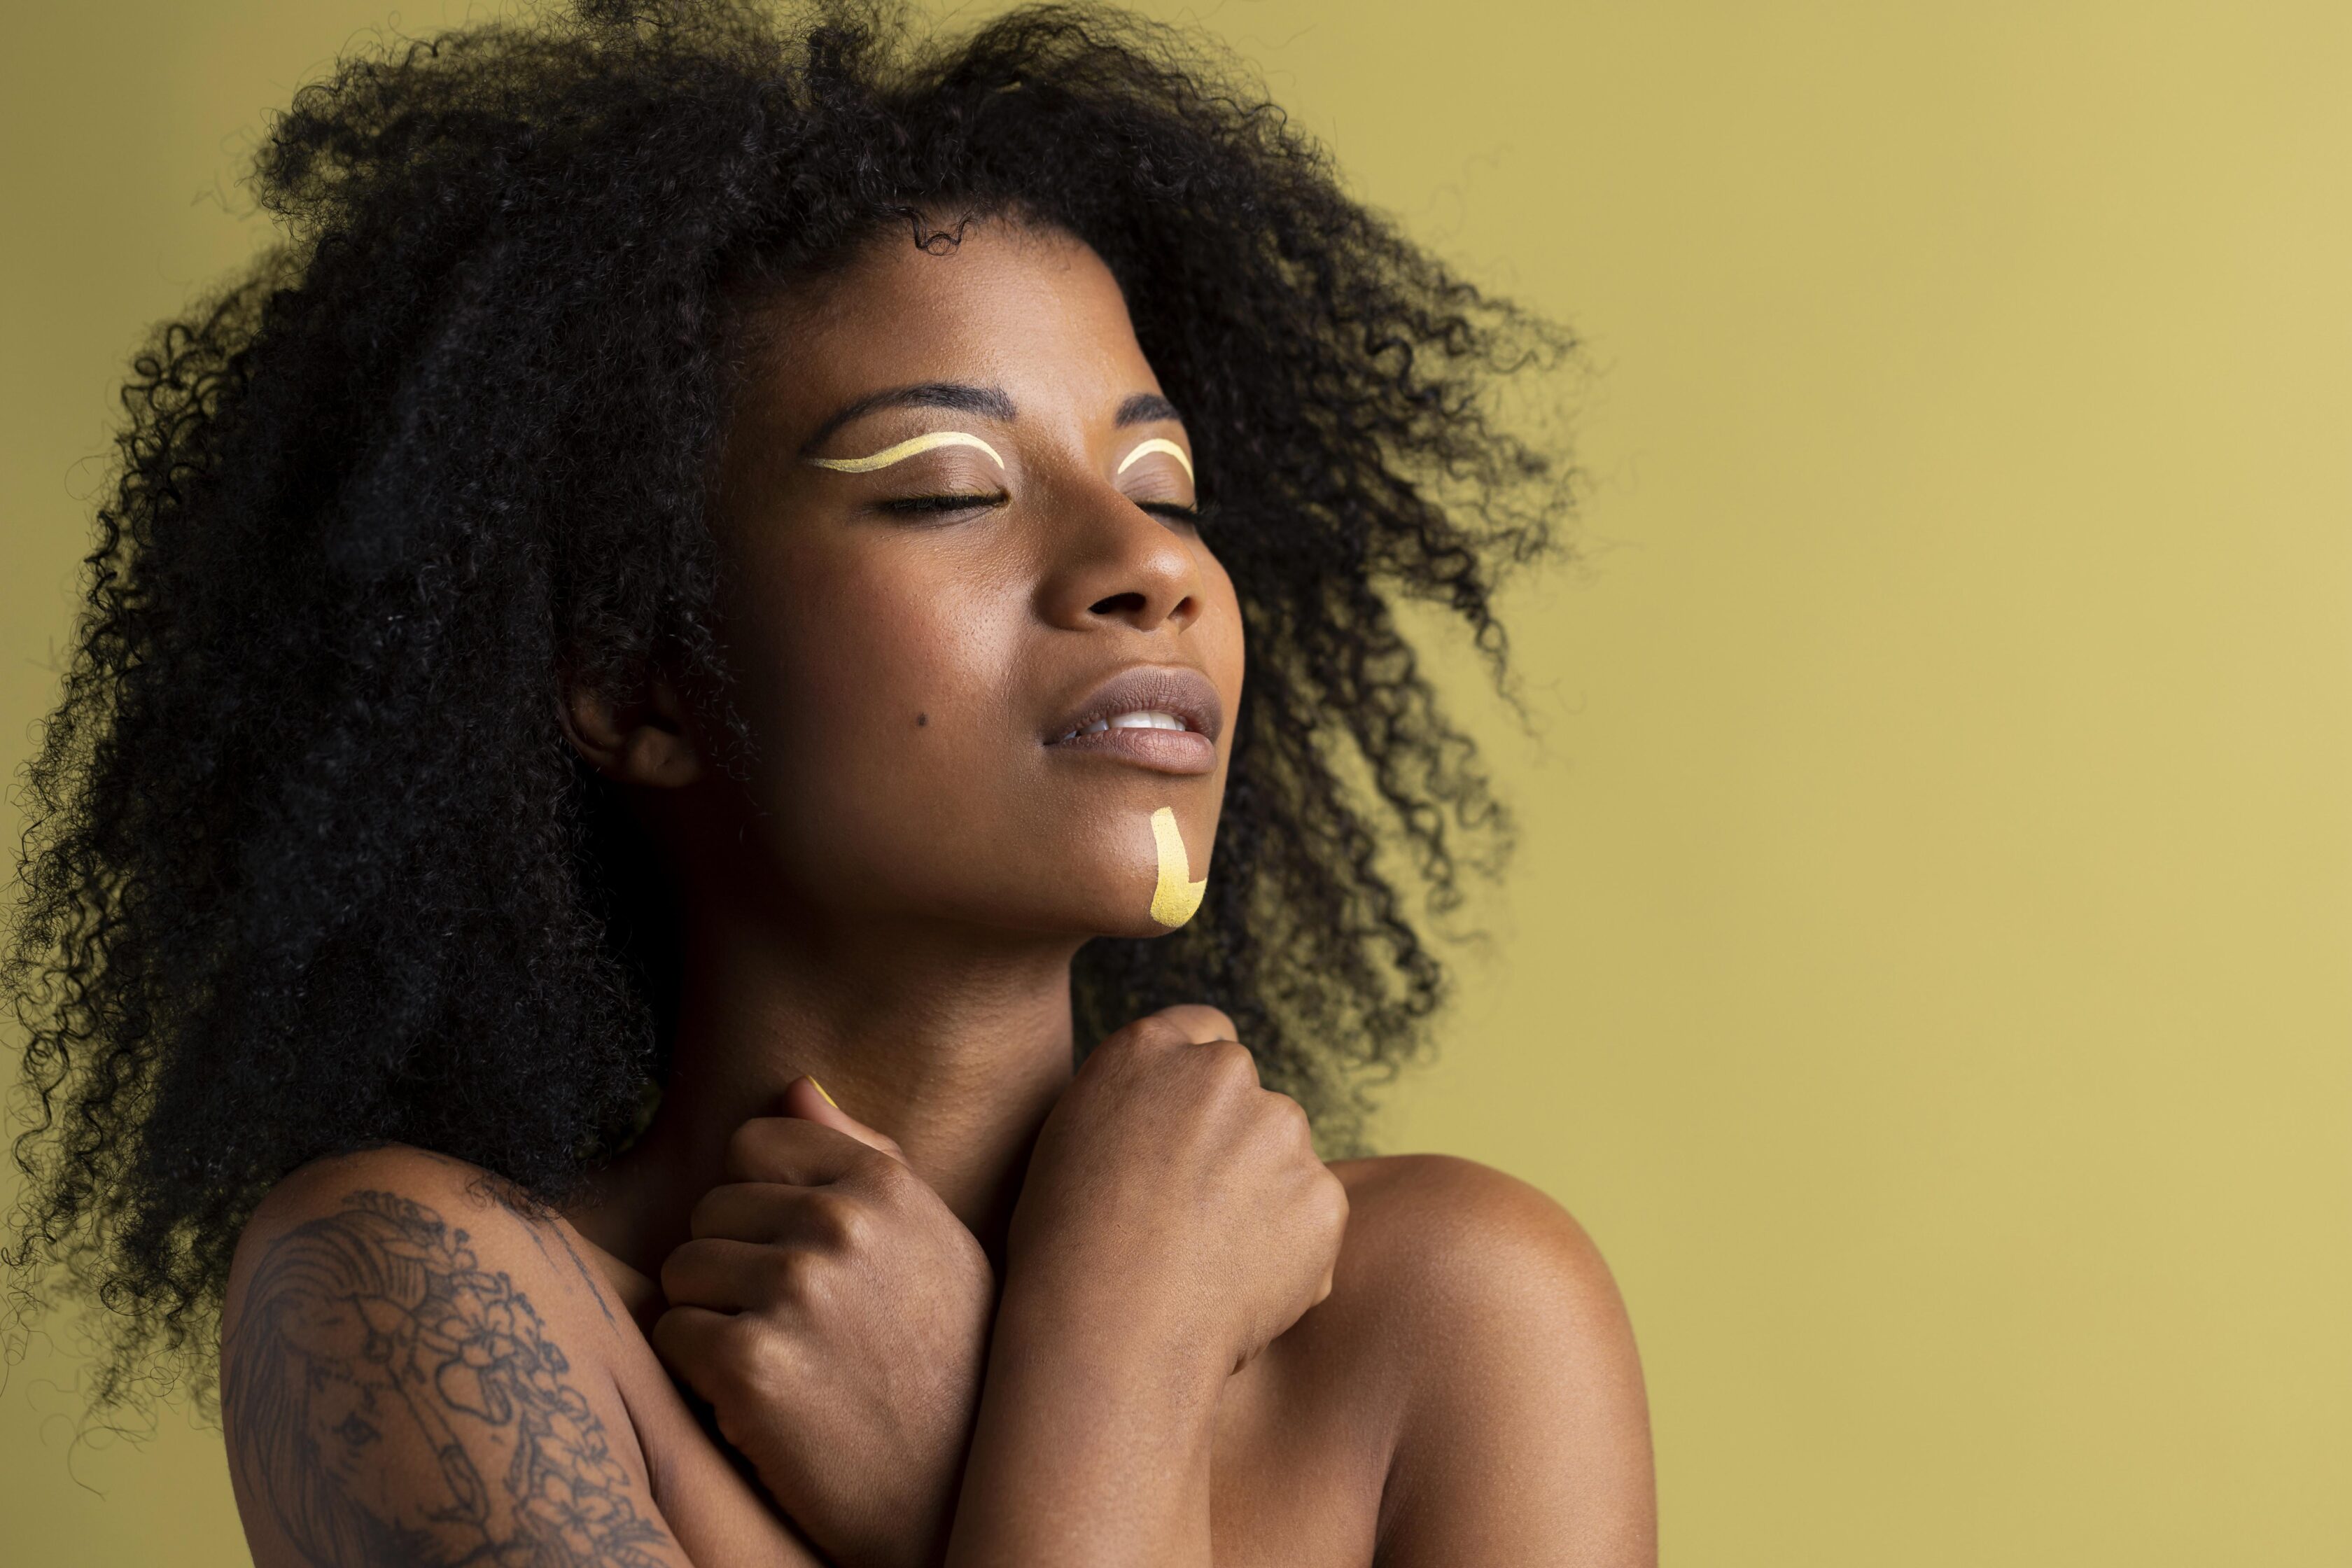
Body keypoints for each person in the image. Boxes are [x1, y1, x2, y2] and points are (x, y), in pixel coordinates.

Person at [3, 2, 1654, 1562]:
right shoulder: (415, 1299)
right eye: (946, 488)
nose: (1148, 563)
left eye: (1167, 484)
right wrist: (1119, 1352)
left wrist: (966, 1466)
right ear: (640, 677)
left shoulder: (1457, 1322)